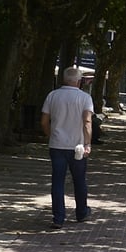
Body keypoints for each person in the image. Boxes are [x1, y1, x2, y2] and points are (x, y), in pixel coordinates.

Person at [40, 67, 94, 230]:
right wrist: (88, 143)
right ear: (79, 81)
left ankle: (58, 217)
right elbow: (87, 122)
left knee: (57, 181)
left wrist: (51, 135)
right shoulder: (85, 98)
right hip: (77, 146)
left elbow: (43, 121)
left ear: (63, 79)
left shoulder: (53, 95)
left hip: (57, 145)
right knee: (79, 180)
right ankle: (81, 212)